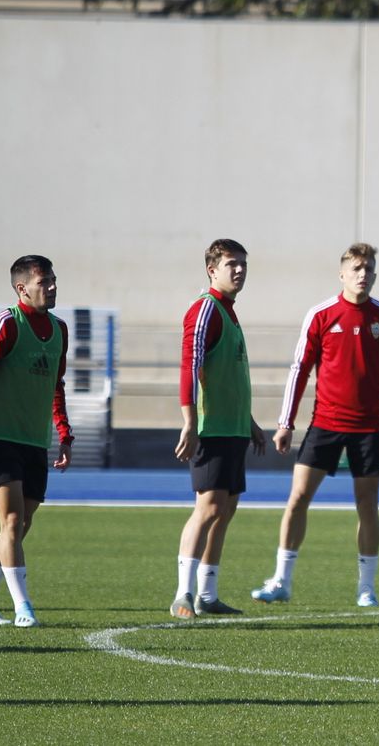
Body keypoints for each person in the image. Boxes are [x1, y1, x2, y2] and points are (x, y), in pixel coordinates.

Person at [253, 243, 379, 607]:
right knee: (298, 498)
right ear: (342, 274)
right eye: (357, 269)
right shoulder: (321, 314)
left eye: (369, 269)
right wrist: (286, 423)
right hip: (325, 424)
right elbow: (299, 369)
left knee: (367, 505)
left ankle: (366, 588)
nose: (363, 275)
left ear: (375, 276)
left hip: (369, 428)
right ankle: (281, 580)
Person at [0, 255, 73, 628]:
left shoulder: (60, 329)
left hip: (33, 441)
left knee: (20, 526)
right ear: (22, 288)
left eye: (54, 280)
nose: (52, 287)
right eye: (45, 282)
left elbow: (56, 385)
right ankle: (24, 607)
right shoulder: (5, 324)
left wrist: (64, 433)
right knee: (11, 521)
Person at [172, 238, 267, 618]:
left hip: (233, 429)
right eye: (232, 264)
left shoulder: (229, 312)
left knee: (225, 509)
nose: (240, 270)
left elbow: (229, 377)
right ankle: (183, 594)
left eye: (243, 263)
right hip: (210, 429)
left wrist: (250, 423)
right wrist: (190, 424)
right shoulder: (205, 310)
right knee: (208, 508)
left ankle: (208, 594)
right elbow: (188, 368)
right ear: (212, 270)